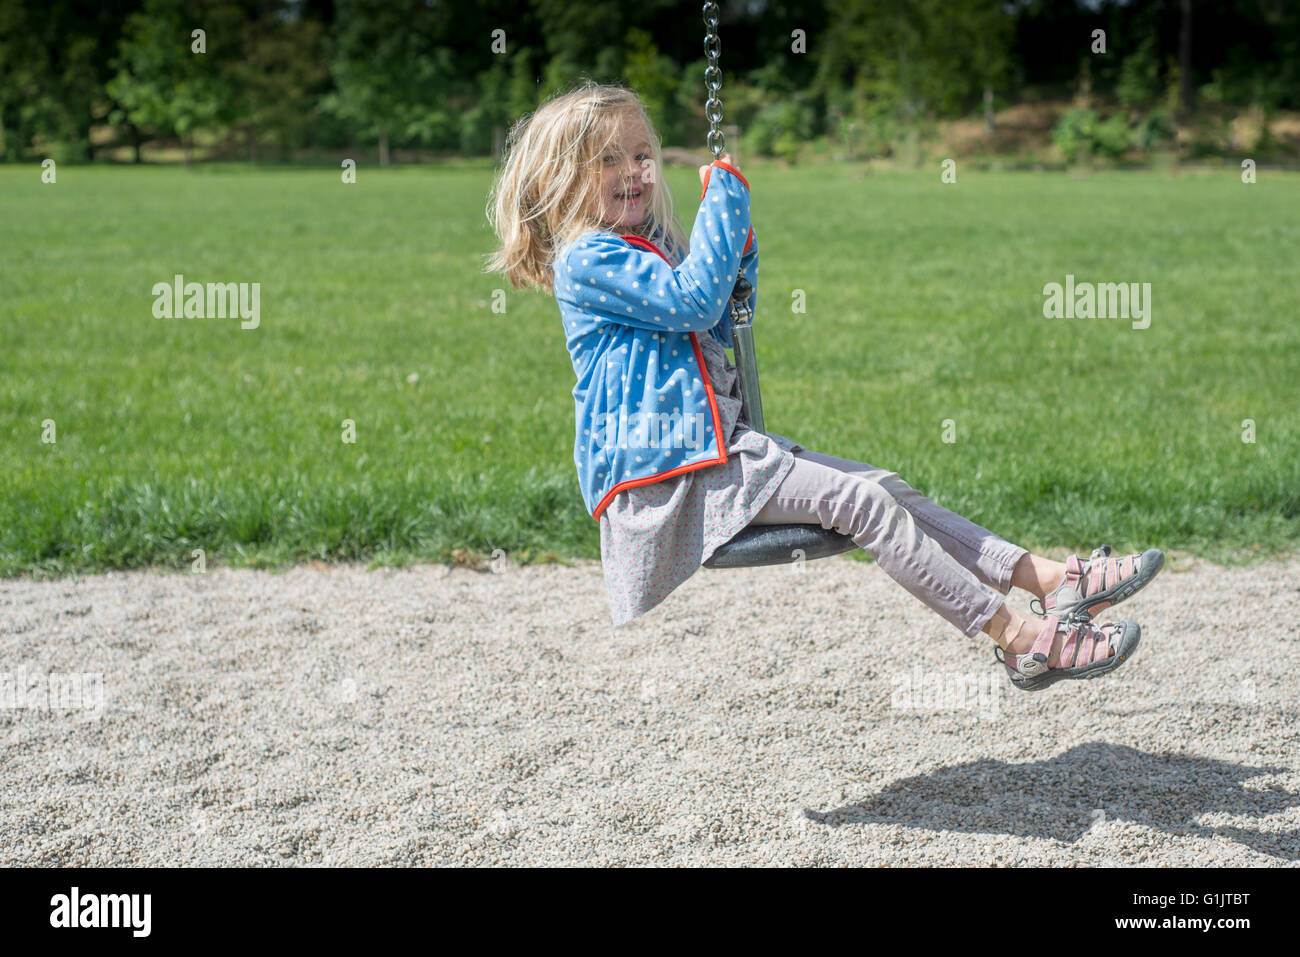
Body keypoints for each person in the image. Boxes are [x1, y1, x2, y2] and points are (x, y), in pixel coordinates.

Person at [485, 80, 1163, 691]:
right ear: (566, 176)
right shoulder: (588, 259)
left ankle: (1051, 579)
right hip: (669, 477)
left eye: (641, 155)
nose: (633, 171)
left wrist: (738, 255)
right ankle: (1020, 640)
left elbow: (710, 325)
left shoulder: (643, 243)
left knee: (886, 486)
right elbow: (693, 301)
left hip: (712, 452)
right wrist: (724, 204)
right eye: (609, 159)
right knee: (862, 503)